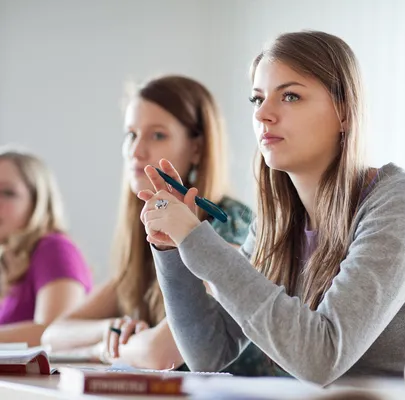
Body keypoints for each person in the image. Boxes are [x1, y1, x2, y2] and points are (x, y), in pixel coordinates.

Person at [137, 31, 405, 385]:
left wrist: (197, 239)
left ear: (345, 113)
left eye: (290, 96)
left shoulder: (402, 206)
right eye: (257, 99)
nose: (263, 114)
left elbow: (322, 357)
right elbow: (210, 352)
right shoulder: (275, 225)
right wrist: (171, 247)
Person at [42, 76, 267, 375]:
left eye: (157, 135)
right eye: (131, 134)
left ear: (197, 148)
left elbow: (159, 353)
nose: (136, 151)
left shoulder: (231, 226)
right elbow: (54, 334)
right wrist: (112, 329)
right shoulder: (154, 230)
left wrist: (103, 350)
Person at [0, 148, 92, 345]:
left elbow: (55, 333)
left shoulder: (54, 248)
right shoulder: (9, 261)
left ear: (37, 201)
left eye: (8, 193)